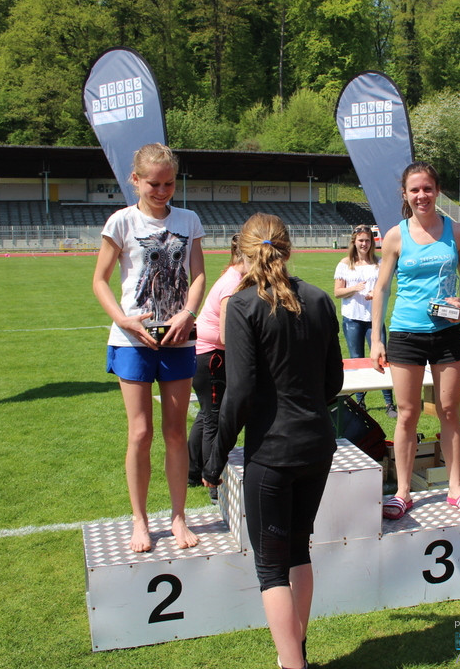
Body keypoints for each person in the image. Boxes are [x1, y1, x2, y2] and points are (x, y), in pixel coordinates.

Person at [203, 213, 343, 669]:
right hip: (316, 444)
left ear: (240, 254)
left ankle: (292, 664)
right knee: (298, 548)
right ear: (290, 248)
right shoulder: (320, 299)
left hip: (274, 451)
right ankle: (296, 656)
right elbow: (333, 382)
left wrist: (214, 458)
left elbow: (238, 394)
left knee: (270, 568)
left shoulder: (241, 306)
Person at [92, 143, 206, 553]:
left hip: (177, 338)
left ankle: (178, 517)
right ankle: (139, 520)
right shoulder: (121, 222)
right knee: (140, 433)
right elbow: (100, 280)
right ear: (135, 180)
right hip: (133, 340)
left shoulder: (189, 219)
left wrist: (189, 313)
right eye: (153, 184)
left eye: (169, 183)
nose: (161, 191)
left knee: (175, 433)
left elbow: (198, 275)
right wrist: (123, 320)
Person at [370, 161, 460, 521]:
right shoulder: (395, 236)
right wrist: (376, 338)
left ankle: (455, 487)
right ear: (405, 194)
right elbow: (382, 289)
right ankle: (402, 491)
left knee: (449, 411)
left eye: (428, 188)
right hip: (406, 334)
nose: (422, 195)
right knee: (407, 414)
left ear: (437, 191)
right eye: (414, 189)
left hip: (448, 333)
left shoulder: (458, 232)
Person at [188, 234, 244, 498]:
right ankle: (213, 484)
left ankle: (192, 471)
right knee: (215, 421)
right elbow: (225, 334)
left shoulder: (232, 276)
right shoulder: (233, 284)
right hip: (211, 358)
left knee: (205, 416)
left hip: (204, 356)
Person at [334, 224, 397, 417]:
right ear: (354, 242)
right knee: (357, 359)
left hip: (374, 319)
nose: (364, 244)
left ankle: (389, 403)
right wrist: (356, 288)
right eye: (361, 240)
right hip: (352, 319)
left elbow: (386, 290)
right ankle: (359, 403)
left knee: (382, 359)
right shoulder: (345, 264)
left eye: (368, 241)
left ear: (372, 243)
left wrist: (374, 294)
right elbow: (337, 292)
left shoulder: (380, 264)